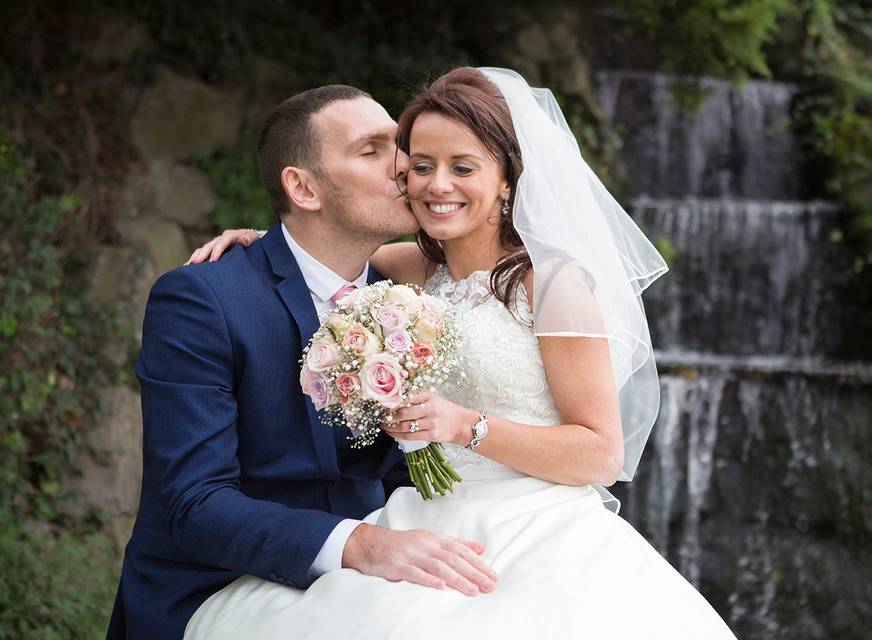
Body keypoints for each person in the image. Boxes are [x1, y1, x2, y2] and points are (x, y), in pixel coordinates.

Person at [184, 67, 738, 639]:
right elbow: (320, 256)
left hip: (534, 524)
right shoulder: (414, 270)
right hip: (423, 512)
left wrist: (466, 426)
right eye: (421, 167)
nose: (436, 185)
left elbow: (601, 454)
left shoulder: (552, 284)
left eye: (462, 167)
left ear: (505, 179)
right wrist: (254, 241)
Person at [106, 84, 499, 640]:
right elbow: (194, 504)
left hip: (382, 563)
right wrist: (362, 546)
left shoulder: (411, 297)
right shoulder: (204, 299)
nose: (406, 166)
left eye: (400, 145)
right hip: (219, 582)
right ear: (303, 187)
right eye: (372, 150)